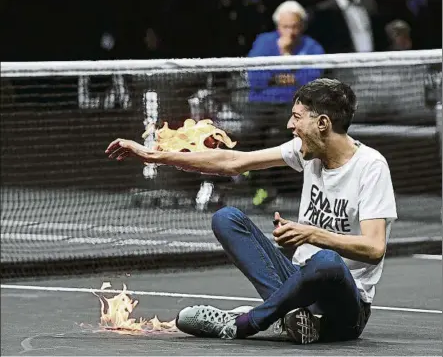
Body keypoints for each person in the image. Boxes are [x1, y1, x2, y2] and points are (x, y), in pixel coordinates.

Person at [105, 78, 397, 344]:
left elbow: (374, 248)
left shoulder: (370, 167)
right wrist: (155, 156)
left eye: (296, 117)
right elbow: (233, 161)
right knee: (227, 218)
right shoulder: (305, 151)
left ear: (322, 123)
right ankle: (291, 317)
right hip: (296, 281)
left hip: (344, 307)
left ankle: (246, 321)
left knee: (327, 262)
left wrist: (311, 234)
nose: (289, 125)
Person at [243, 0, 324, 206]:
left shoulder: (312, 47)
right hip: (261, 103)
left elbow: (310, 81)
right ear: (278, 26)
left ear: (302, 26)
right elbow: (256, 80)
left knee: (280, 137)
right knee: (248, 132)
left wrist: (278, 68)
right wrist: (288, 69)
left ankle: (270, 187)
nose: (291, 31)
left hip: (295, 105)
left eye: (295, 26)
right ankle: (257, 184)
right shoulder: (264, 43)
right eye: (286, 27)